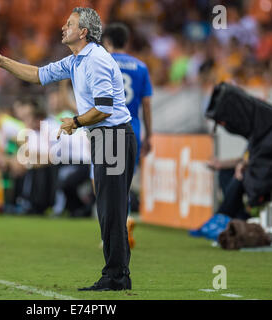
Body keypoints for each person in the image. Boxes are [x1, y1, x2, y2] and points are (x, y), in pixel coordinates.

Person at [0, 7, 136, 291]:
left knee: (111, 209)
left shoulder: (95, 60)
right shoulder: (76, 61)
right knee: (110, 209)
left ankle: (116, 276)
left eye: (69, 23)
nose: (63, 27)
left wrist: (75, 120)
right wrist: (2, 62)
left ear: (83, 32)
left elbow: (105, 109)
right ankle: (116, 274)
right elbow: (38, 74)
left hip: (113, 138)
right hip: (107, 138)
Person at [101, 22, 154, 248]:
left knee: (104, 181)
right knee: (124, 181)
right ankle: (125, 220)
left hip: (108, 125)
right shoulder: (140, 67)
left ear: (108, 42)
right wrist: (149, 135)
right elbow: (147, 104)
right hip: (133, 128)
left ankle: (111, 232)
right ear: (127, 42)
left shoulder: (103, 62)